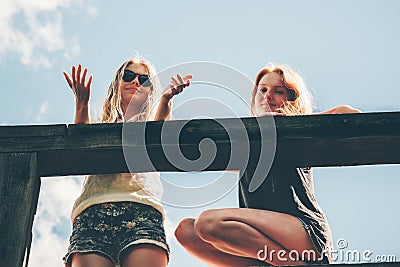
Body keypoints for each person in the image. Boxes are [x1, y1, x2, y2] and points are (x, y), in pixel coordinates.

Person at [174, 62, 360, 266]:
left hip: (305, 235)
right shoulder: (243, 144)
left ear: (291, 99)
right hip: (262, 248)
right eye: (262, 90)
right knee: (186, 231)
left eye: (278, 91)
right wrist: (167, 100)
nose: (267, 96)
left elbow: (349, 113)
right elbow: (178, 148)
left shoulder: (300, 136)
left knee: (208, 223)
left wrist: (292, 124)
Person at [62, 54, 192, 267]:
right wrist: (81, 103)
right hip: (94, 212)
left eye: (144, 80)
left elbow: (160, 127)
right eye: (129, 75)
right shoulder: (99, 126)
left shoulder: (150, 125)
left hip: (142, 211)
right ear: (117, 83)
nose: (135, 82)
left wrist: (167, 99)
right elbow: (79, 145)